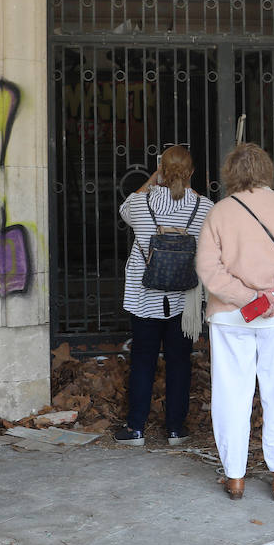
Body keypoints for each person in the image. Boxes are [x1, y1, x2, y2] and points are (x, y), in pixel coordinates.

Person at [195, 143, 274, 501]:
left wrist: (247, 299)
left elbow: (208, 269)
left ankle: (235, 477)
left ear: (230, 173)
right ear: (266, 170)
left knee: (230, 394)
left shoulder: (219, 213)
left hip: (230, 316)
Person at [114, 145, 213, 447]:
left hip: (145, 296)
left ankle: (135, 429)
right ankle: (175, 430)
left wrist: (154, 177)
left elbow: (124, 210)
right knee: (179, 362)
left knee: (143, 360)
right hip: (184, 299)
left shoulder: (141, 203)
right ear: (192, 172)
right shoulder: (205, 208)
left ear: (161, 172)